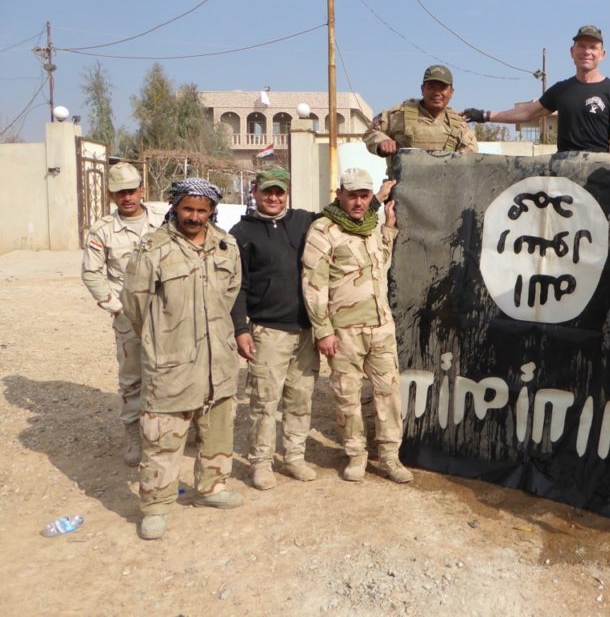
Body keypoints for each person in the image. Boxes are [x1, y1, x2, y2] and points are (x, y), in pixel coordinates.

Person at [121, 178, 244, 540]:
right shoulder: (153, 248)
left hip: (218, 358)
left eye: (201, 210)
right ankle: (156, 506)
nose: (193, 216)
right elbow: (134, 302)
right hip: (171, 360)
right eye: (187, 209)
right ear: (175, 207)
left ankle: (211, 488)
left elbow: (231, 292)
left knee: (218, 428)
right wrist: (161, 339)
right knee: (163, 437)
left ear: (211, 212)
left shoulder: (226, 245)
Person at [301, 168, 413, 484]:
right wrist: (322, 330)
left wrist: (388, 230)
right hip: (344, 332)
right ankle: (355, 455)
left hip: (380, 327)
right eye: (353, 195)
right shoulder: (323, 230)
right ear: (340, 195)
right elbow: (313, 283)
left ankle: (390, 456)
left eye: (365, 195)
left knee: (388, 393)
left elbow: (380, 265)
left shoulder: (370, 228)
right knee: (347, 396)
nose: (359, 202)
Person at [229, 166, 320, 490]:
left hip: (307, 331)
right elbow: (236, 286)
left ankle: (294, 457)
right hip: (268, 332)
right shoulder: (241, 233)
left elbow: (345, 216)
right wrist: (241, 328)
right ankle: (261, 463)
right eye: (267, 190)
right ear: (255, 192)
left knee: (300, 398)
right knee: (264, 402)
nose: (273, 197)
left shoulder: (305, 221)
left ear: (287, 193)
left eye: (279, 191)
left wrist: (379, 201)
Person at [81, 162, 163, 466]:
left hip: (166, 310)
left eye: (131, 190)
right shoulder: (102, 230)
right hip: (129, 314)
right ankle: (134, 435)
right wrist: (115, 307)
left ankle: (175, 429)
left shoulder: (163, 219)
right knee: (133, 377)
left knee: (172, 370)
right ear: (111, 196)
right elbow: (92, 273)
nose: (127, 197)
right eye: (119, 193)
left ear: (142, 190)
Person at [462, 25, 610, 153]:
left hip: (599, 172)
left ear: (602, 54)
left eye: (593, 47)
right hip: (565, 172)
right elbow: (527, 113)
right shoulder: (561, 90)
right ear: (572, 52)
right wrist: (484, 115)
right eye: (581, 46)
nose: (587, 52)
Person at [363, 64, 477, 174]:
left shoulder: (459, 125)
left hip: (444, 190)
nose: (437, 93)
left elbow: (470, 159)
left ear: (451, 92)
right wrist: (381, 141)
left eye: (442, 88)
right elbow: (370, 132)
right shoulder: (398, 115)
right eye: (431, 87)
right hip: (403, 189)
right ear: (422, 89)